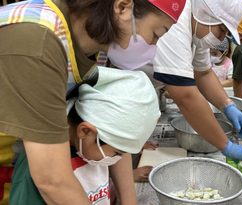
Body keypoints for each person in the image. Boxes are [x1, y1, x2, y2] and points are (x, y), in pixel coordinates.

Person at [0, 0, 185, 204]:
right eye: (156, 34)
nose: (152, 47)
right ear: (122, 7)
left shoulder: (91, 44)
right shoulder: (38, 41)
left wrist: (129, 200)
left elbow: (117, 131)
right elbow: (52, 180)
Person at [10, 67, 160, 204]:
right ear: (85, 131)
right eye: (117, 153)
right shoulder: (38, 171)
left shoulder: (89, 146)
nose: (117, 159)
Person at [138, 0, 242, 169]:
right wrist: (225, 145)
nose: (222, 38)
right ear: (205, 14)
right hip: (128, 95)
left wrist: (228, 105)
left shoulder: (197, 29)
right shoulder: (177, 23)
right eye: (222, 29)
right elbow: (185, 96)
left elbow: (203, 73)